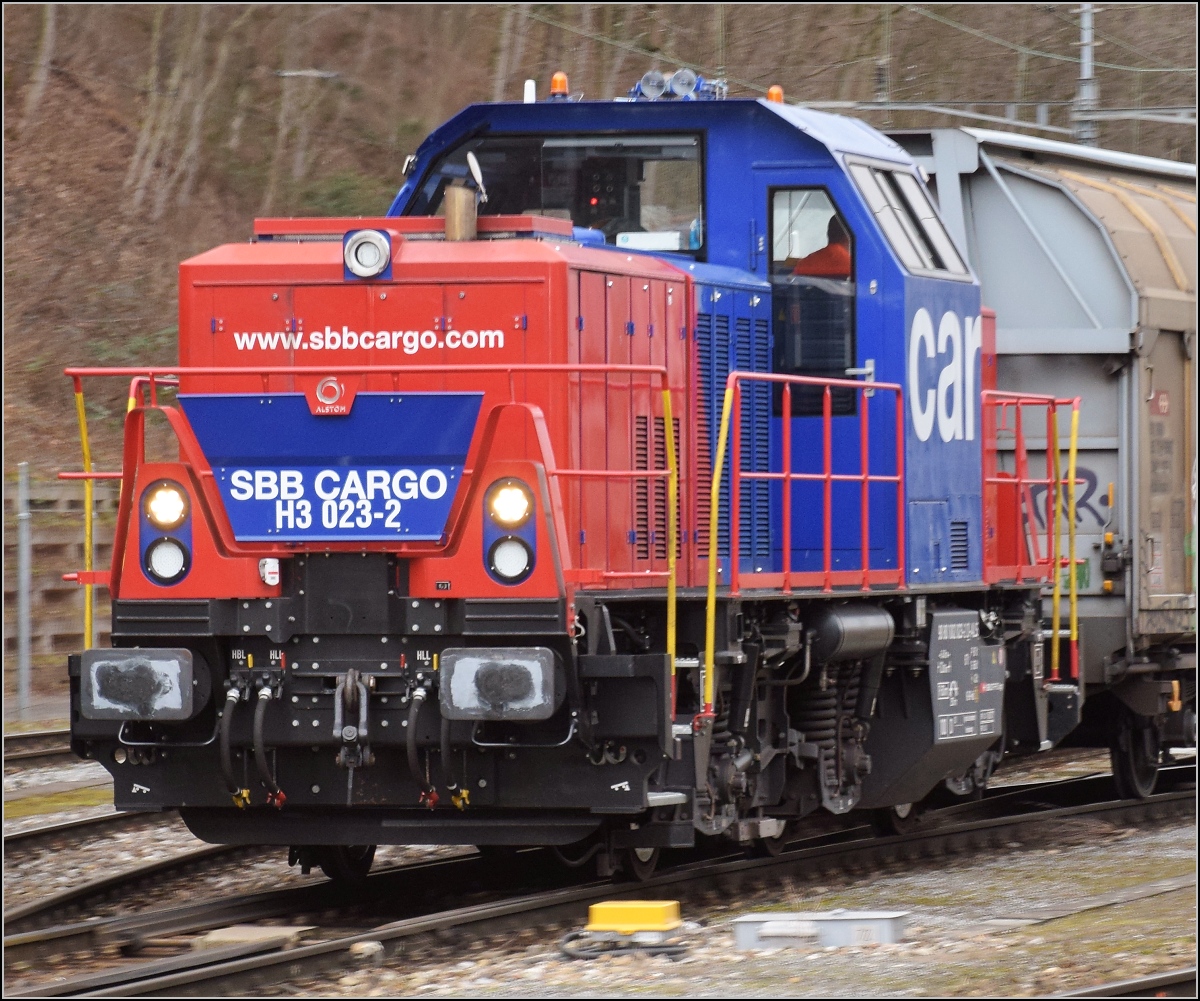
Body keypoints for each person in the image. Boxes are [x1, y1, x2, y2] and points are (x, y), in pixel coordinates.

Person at [785, 215, 852, 279]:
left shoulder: (805, 263)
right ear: (849, 236)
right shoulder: (853, 266)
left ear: (828, 234)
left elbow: (791, 281)